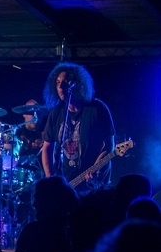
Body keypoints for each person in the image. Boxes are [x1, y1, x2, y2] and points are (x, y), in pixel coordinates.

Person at [40, 62, 115, 195]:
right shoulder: (56, 113)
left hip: (95, 185)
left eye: (65, 82)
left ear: (78, 84)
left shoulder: (97, 109)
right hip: (68, 183)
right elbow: (47, 147)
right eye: (57, 82)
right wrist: (50, 177)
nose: (60, 87)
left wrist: (96, 167)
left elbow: (109, 146)